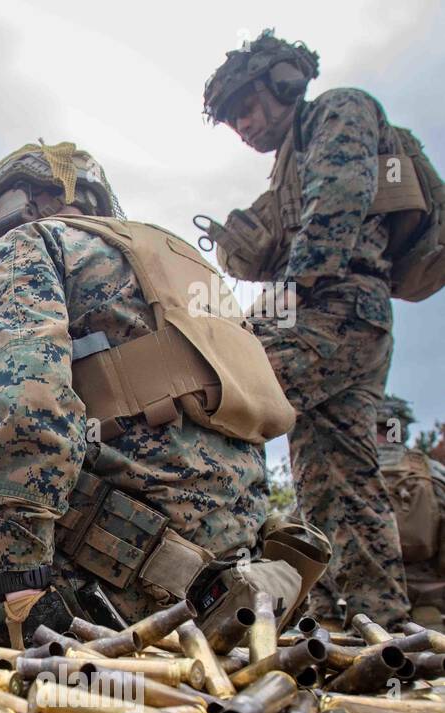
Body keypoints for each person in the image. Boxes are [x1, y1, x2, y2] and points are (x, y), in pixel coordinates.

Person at [0, 143, 295, 644]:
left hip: (104, 592)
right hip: (230, 591)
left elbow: (34, 415)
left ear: (18, 203)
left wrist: (18, 586)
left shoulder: (28, 245)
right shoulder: (191, 275)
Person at [201, 29, 412, 625]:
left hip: (339, 309)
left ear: (284, 84)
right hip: (349, 319)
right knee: (337, 480)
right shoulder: (287, 165)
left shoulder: (339, 110)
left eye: (247, 105)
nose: (243, 124)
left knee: (221, 395)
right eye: (232, 118)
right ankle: (373, 625)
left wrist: (279, 300)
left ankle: (205, 581)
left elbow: (340, 197)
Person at [375, 396, 445, 623]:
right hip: (426, 596)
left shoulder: (347, 470)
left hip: (366, 596)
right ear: (401, 428)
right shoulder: (432, 470)